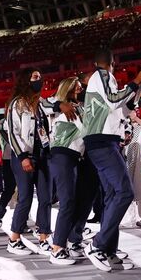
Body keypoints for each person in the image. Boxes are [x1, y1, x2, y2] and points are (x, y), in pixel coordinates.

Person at [81, 49, 141, 271]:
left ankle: (108, 249)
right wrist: (135, 81)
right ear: (111, 63)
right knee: (124, 192)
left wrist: (137, 93)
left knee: (112, 195)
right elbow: (113, 101)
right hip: (102, 142)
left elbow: (120, 110)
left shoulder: (104, 80)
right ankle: (98, 244)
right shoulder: (102, 75)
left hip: (105, 141)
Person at [6, 68, 53, 255]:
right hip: (24, 157)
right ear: (26, 80)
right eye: (35, 77)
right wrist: (22, 156)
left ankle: (44, 237)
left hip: (43, 156)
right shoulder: (17, 104)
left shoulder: (41, 103)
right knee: (25, 198)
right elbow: (13, 133)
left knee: (46, 198)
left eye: (40, 77)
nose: (39, 80)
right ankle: (14, 239)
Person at [46, 76, 92, 265]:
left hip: (75, 157)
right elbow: (42, 104)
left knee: (81, 200)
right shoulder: (62, 106)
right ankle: (57, 247)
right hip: (62, 155)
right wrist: (59, 104)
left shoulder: (78, 107)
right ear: (69, 89)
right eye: (77, 87)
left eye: (81, 87)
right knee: (67, 202)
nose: (80, 90)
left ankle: (72, 240)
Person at [122, 109, 141, 229]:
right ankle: (131, 219)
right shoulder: (124, 127)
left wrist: (136, 119)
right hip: (127, 160)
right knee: (128, 191)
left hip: (139, 160)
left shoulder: (140, 127)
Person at [0, 116, 17, 229]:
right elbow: (8, 139)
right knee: (9, 189)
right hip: (9, 159)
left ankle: (21, 220)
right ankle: (0, 212)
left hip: (23, 157)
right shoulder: (2, 123)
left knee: (24, 191)